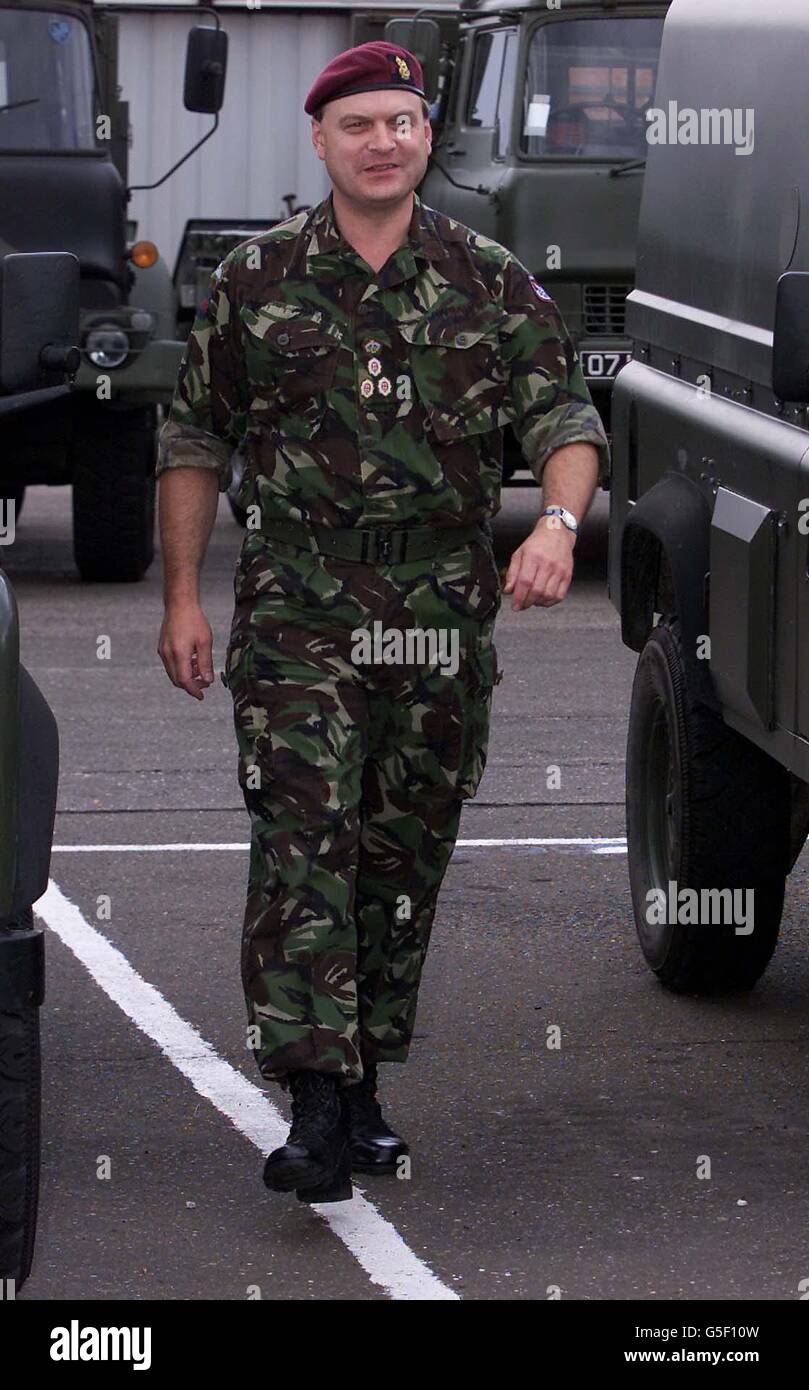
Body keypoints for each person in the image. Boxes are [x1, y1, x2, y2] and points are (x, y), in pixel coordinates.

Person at [156, 40, 609, 1205]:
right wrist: (179, 599)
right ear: (320, 141)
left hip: (438, 609)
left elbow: (561, 413)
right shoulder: (256, 279)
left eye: (402, 122)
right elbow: (197, 438)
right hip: (300, 601)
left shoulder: (489, 277)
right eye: (358, 124)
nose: (381, 142)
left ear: (423, 136)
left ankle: (363, 1082)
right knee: (305, 832)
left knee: (403, 847)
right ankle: (313, 1096)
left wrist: (556, 523)